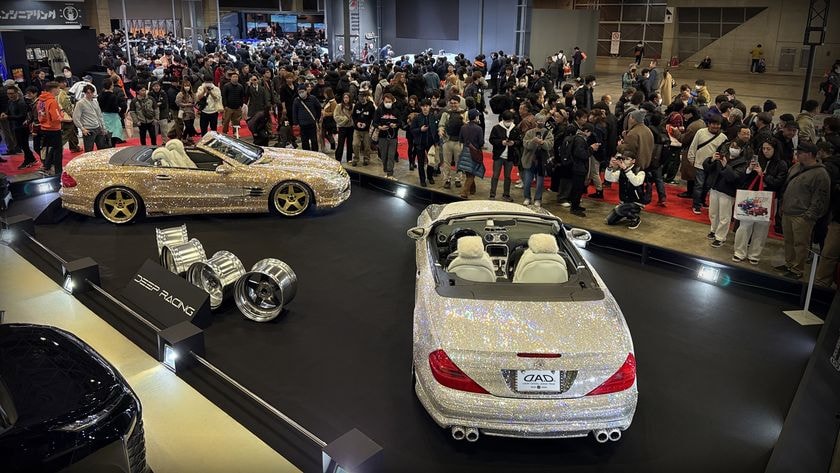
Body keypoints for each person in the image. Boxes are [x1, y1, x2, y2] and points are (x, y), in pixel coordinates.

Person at [776, 141, 831, 279]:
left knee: (800, 244)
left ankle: (797, 269)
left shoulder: (821, 174)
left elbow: (820, 198)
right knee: (788, 241)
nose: (797, 155)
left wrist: (809, 215)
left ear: (810, 154)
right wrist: (782, 205)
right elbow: (786, 186)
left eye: (800, 153)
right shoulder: (796, 167)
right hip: (788, 211)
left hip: (802, 216)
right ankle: (789, 263)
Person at [733, 138, 788, 264]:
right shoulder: (758, 160)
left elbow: (778, 183)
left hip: (769, 198)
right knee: (744, 226)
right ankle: (739, 252)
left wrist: (763, 175)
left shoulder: (781, 164)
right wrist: (749, 169)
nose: (765, 151)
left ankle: (754, 255)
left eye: (769, 149)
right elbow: (745, 179)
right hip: (752, 197)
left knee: (761, 229)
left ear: (775, 149)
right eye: (763, 148)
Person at [703, 139, 748, 248]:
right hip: (715, 187)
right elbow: (707, 168)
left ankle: (720, 237)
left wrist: (725, 166)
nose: (733, 149)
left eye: (736, 147)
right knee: (713, 212)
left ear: (741, 150)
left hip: (727, 192)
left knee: (724, 216)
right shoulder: (723, 156)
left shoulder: (742, 163)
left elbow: (733, 177)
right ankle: (713, 230)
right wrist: (711, 160)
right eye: (732, 146)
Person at [688, 115, 727, 214]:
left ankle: (702, 201)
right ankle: (696, 205)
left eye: (718, 124)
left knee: (707, 186)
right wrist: (691, 158)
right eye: (713, 124)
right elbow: (693, 146)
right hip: (700, 163)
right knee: (699, 185)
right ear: (709, 124)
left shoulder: (723, 137)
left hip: (713, 166)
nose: (716, 126)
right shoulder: (700, 132)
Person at [604, 149, 645, 229]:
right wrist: (610, 166)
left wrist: (626, 169)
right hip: (624, 201)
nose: (624, 161)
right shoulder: (621, 171)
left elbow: (636, 182)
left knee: (619, 209)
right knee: (609, 221)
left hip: (636, 202)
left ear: (633, 161)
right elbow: (609, 178)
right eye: (623, 159)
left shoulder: (640, 171)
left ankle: (635, 218)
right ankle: (626, 213)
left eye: (627, 159)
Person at [488, 110, 521, 201]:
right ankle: (492, 194)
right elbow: (491, 139)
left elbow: (519, 141)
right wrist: (501, 142)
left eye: (510, 121)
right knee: (495, 176)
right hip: (499, 156)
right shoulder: (496, 128)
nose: (508, 122)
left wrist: (513, 143)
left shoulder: (515, 129)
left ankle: (506, 194)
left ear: (512, 120)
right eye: (506, 121)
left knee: (508, 176)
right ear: (502, 119)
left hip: (510, 156)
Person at [521, 114, 553, 206]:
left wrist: (542, 143)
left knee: (540, 183)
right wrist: (533, 141)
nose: (540, 123)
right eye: (539, 121)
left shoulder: (548, 133)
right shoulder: (529, 133)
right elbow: (526, 144)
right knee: (527, 181)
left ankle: (538, 199)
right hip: (529, 161)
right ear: (535, 122)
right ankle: (527, 197)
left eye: (542, 121)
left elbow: (550, 145)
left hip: (541, 161)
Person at [5, 86, 37, 168]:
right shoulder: (10, 102)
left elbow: (22, 116)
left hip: (23, 127)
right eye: (8, 94)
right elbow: (9, 111)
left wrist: (8, 117)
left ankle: (28, 160)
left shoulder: (22, 103)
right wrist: (5, 114)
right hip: (15, 126)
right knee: (22, 145)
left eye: (12, 93)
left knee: (24, 145)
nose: (10, 95)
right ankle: (31, 159)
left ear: (16, 93)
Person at [456, 109, 486, 199]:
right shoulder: (479, 129)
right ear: (476, 117)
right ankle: (464, 193)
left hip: (465, 151)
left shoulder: (463, 127)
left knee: (469, 172)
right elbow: (481, 142)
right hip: (474, 152)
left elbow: (461, 139)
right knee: (472, 173)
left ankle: (472, 189)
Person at [438, 96, 466, 189]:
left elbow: (468, 125)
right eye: (452, 103)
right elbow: (441, 124)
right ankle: (447, 179)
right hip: (447, 140)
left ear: (459, 103)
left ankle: (458, 179)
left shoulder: (464, 113)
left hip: (459, 142)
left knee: (459, 162)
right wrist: (441, 130)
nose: (453, 105)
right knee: (446, 162)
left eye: (455, 103)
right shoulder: (446, 113)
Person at [410, 98, 439, 187]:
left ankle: (430, 177)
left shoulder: (434, 117)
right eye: (423, 106)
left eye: (427, 106)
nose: (425, 108)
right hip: (420, 143)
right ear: (421, 107)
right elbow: (412, 130)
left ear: (429, 107)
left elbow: (437, 130)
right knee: (421, 163)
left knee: (431, 162)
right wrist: (420, 129)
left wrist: (436, 142)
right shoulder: (417, 118)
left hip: (431, 143)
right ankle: (422, 180)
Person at [569, 122, 596, 217]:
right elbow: (582, 154)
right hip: (578, 167)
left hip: (579, 167)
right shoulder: (579, 140)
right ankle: (574, 208)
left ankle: (576, 205)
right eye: (590, 133)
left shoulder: (579, 138)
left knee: (579, 188)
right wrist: (591, 149)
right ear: (586, 131)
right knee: (577, 188)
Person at [37, 82, 63, 176]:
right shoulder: (52, 101)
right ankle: (58, 171)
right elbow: (56, 118)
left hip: (44, 128)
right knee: (57, 151)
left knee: (50, 149)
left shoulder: (40, 100)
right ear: (54, 89)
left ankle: (46, 166)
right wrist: (62, 114)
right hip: (54, 129)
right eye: (58, 88)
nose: (59, 90)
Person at [373, 93, 401, 179]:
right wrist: (380, 127)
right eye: (386, 101)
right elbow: (374, 123)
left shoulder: (396, 111)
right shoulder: (379, 110)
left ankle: (390, 173)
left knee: (391, 156)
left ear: (392, 101)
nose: (388, 103)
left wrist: (395, 125)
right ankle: (386, 168)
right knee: (384, 156)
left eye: (389, 101)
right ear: (383, 101)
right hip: (382, 136)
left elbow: (400, 122)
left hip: (393, 137)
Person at [72, 84, 107, 152]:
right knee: (89, 151)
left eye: (91, 92)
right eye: (88, 93)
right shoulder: (80, 103)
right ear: (85, 93)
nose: (90, 94)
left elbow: (99, 115)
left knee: (102, 149)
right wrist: (82, 129)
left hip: (98, 128)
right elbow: (75, 117)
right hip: (88, 130)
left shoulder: (95, 102)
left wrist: (103, 127)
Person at [293, 84, 322, 151]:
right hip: (302, 124)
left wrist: (317, 117)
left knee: (314, 140)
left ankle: (315, 153)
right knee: (304, 141)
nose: (301, 93)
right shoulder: (296, 100)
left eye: (302, 91)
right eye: (299, 92)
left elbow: (318, 108)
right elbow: (294, 112)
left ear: (306, 91)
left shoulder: (313, 98)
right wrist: (296, 123)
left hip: (312, 123)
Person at [56, 78, 81, 153]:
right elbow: (66, 106)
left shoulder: (54, 93)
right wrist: (72, 115)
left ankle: (74, 146)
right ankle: (57, 147)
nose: (65, 84)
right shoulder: (61, 93)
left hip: (58, 115)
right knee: (67, 133)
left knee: (72, 131)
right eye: (63, 82)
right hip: (65, 116)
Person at [98, 78, 125, 146]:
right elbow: (115, 108)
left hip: (104, 116)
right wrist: (119, 109)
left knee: (106, 133)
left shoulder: (100, 95)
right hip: (113, 117)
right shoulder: (113, 96)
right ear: (111, 86)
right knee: (114, 134)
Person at [351, 91, 375, 166]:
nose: (361, 98)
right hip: (357, 129)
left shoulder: (371, 106)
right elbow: (354, 116)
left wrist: (366, 124)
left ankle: (366, 159)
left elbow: (373, 118)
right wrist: (356, 123)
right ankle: (356, 158)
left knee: (367, 145)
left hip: (366, 130)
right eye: (360, 97)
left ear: (366, 97)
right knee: (355, 144)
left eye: (362, 97)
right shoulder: (357, 105)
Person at [334, 92, 354, 163]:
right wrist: (344, 119)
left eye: (347, 97)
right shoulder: (339, 106)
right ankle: (338, 159)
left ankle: (349, 159)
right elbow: (336, 116)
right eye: (344, 97)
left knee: (350, 143)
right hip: (342, 127)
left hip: (350, 127)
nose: (345, 99)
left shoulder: (353, 106)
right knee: (341, 143)